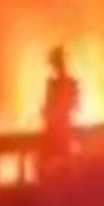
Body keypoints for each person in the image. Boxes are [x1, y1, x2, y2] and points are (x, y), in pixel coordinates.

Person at [41, 46, 79, 175]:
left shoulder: (56, 84)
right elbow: (76, 105)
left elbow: (48, 106)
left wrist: (49, 113)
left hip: (58, 128)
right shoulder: (69, 83)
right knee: (61, 159)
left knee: (57, 159)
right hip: (60, 127)